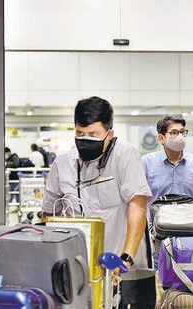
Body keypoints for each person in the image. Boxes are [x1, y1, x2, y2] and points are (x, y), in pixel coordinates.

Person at [41, 96, 152, 273]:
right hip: (78, 267)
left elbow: (137, 206)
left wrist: (126, 257)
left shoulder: (124, 155)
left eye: (93, 135)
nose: (85, 140)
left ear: (110, 134)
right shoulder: (62, 164)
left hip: (120, 264)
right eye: (79, 133)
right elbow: (49, 213)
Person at [141, 115, 193, 205]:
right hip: (157, 218)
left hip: (191, 218)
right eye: (174, 133)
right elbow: (137, 199)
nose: (180, 137)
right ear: (161, 138)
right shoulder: (146, 163)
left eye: (182, 132)